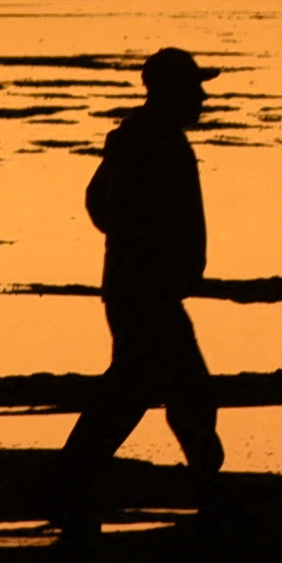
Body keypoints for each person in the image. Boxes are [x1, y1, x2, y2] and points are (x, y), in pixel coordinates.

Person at [59, 47, 226, 505]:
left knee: (141, 385)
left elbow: (98, 202)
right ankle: (205, 482)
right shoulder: (148, 142)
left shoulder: (146, 138)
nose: (201, 98)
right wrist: (150, 253)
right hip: (145, 291)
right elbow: (107, 205)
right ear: (170, 91)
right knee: (168, 386)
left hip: (140, 288)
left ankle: (76, 475)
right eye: (194, 89)